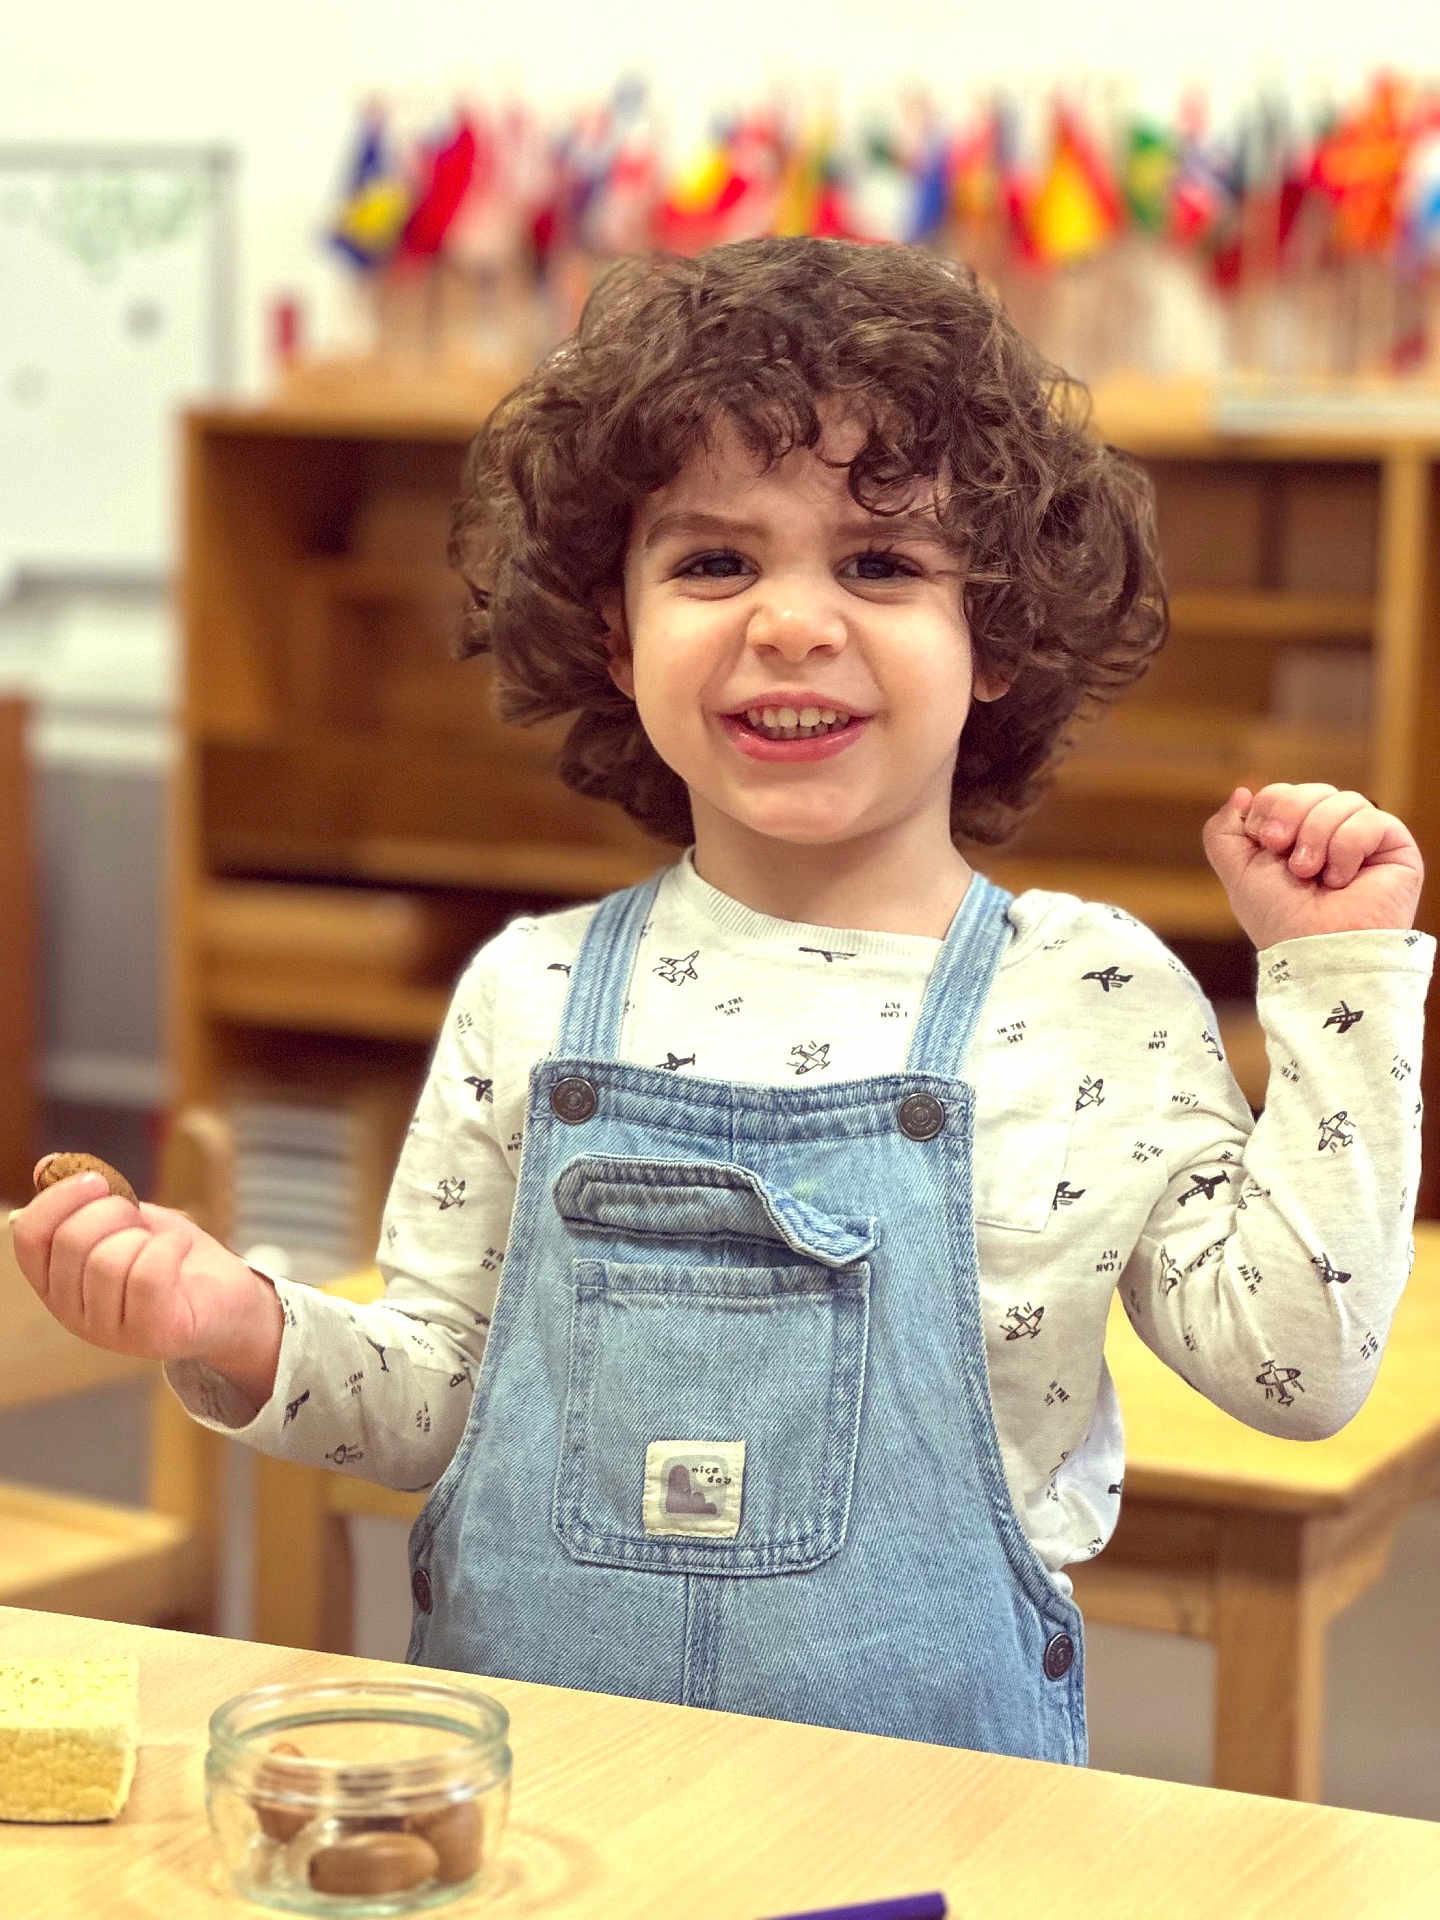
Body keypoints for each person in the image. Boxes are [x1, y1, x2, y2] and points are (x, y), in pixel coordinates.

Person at [10, 238, 1431, 1767]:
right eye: (714, 561)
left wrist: (1337, 979)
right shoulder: (532, 995)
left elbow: (1297, 1369)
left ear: (999, 638)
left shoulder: (1093, 997)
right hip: (549, 1821)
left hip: (931, 1823)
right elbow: (438, 1405)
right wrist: (240, 1326)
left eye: (880, 564)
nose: (792, 621)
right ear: (617, 637)